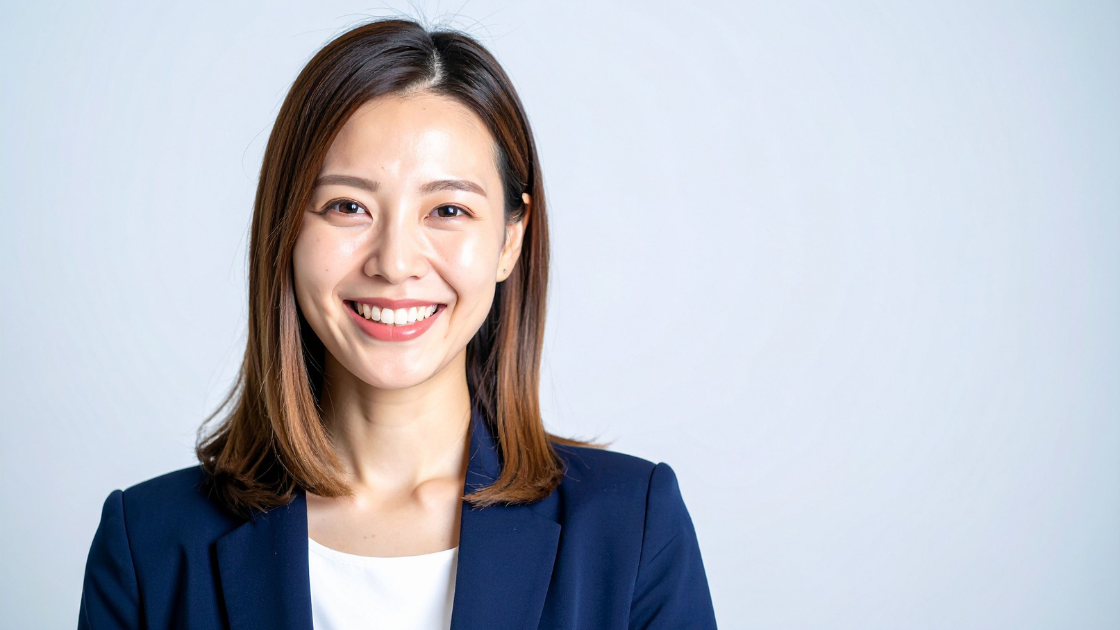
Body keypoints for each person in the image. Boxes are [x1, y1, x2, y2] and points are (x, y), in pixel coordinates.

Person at [77, 17, 717, 630]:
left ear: (510, 241)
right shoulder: (150, 545)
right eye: (347, 205)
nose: (395, 262)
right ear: (287, 230)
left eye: (448, 209)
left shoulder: (631, 526)